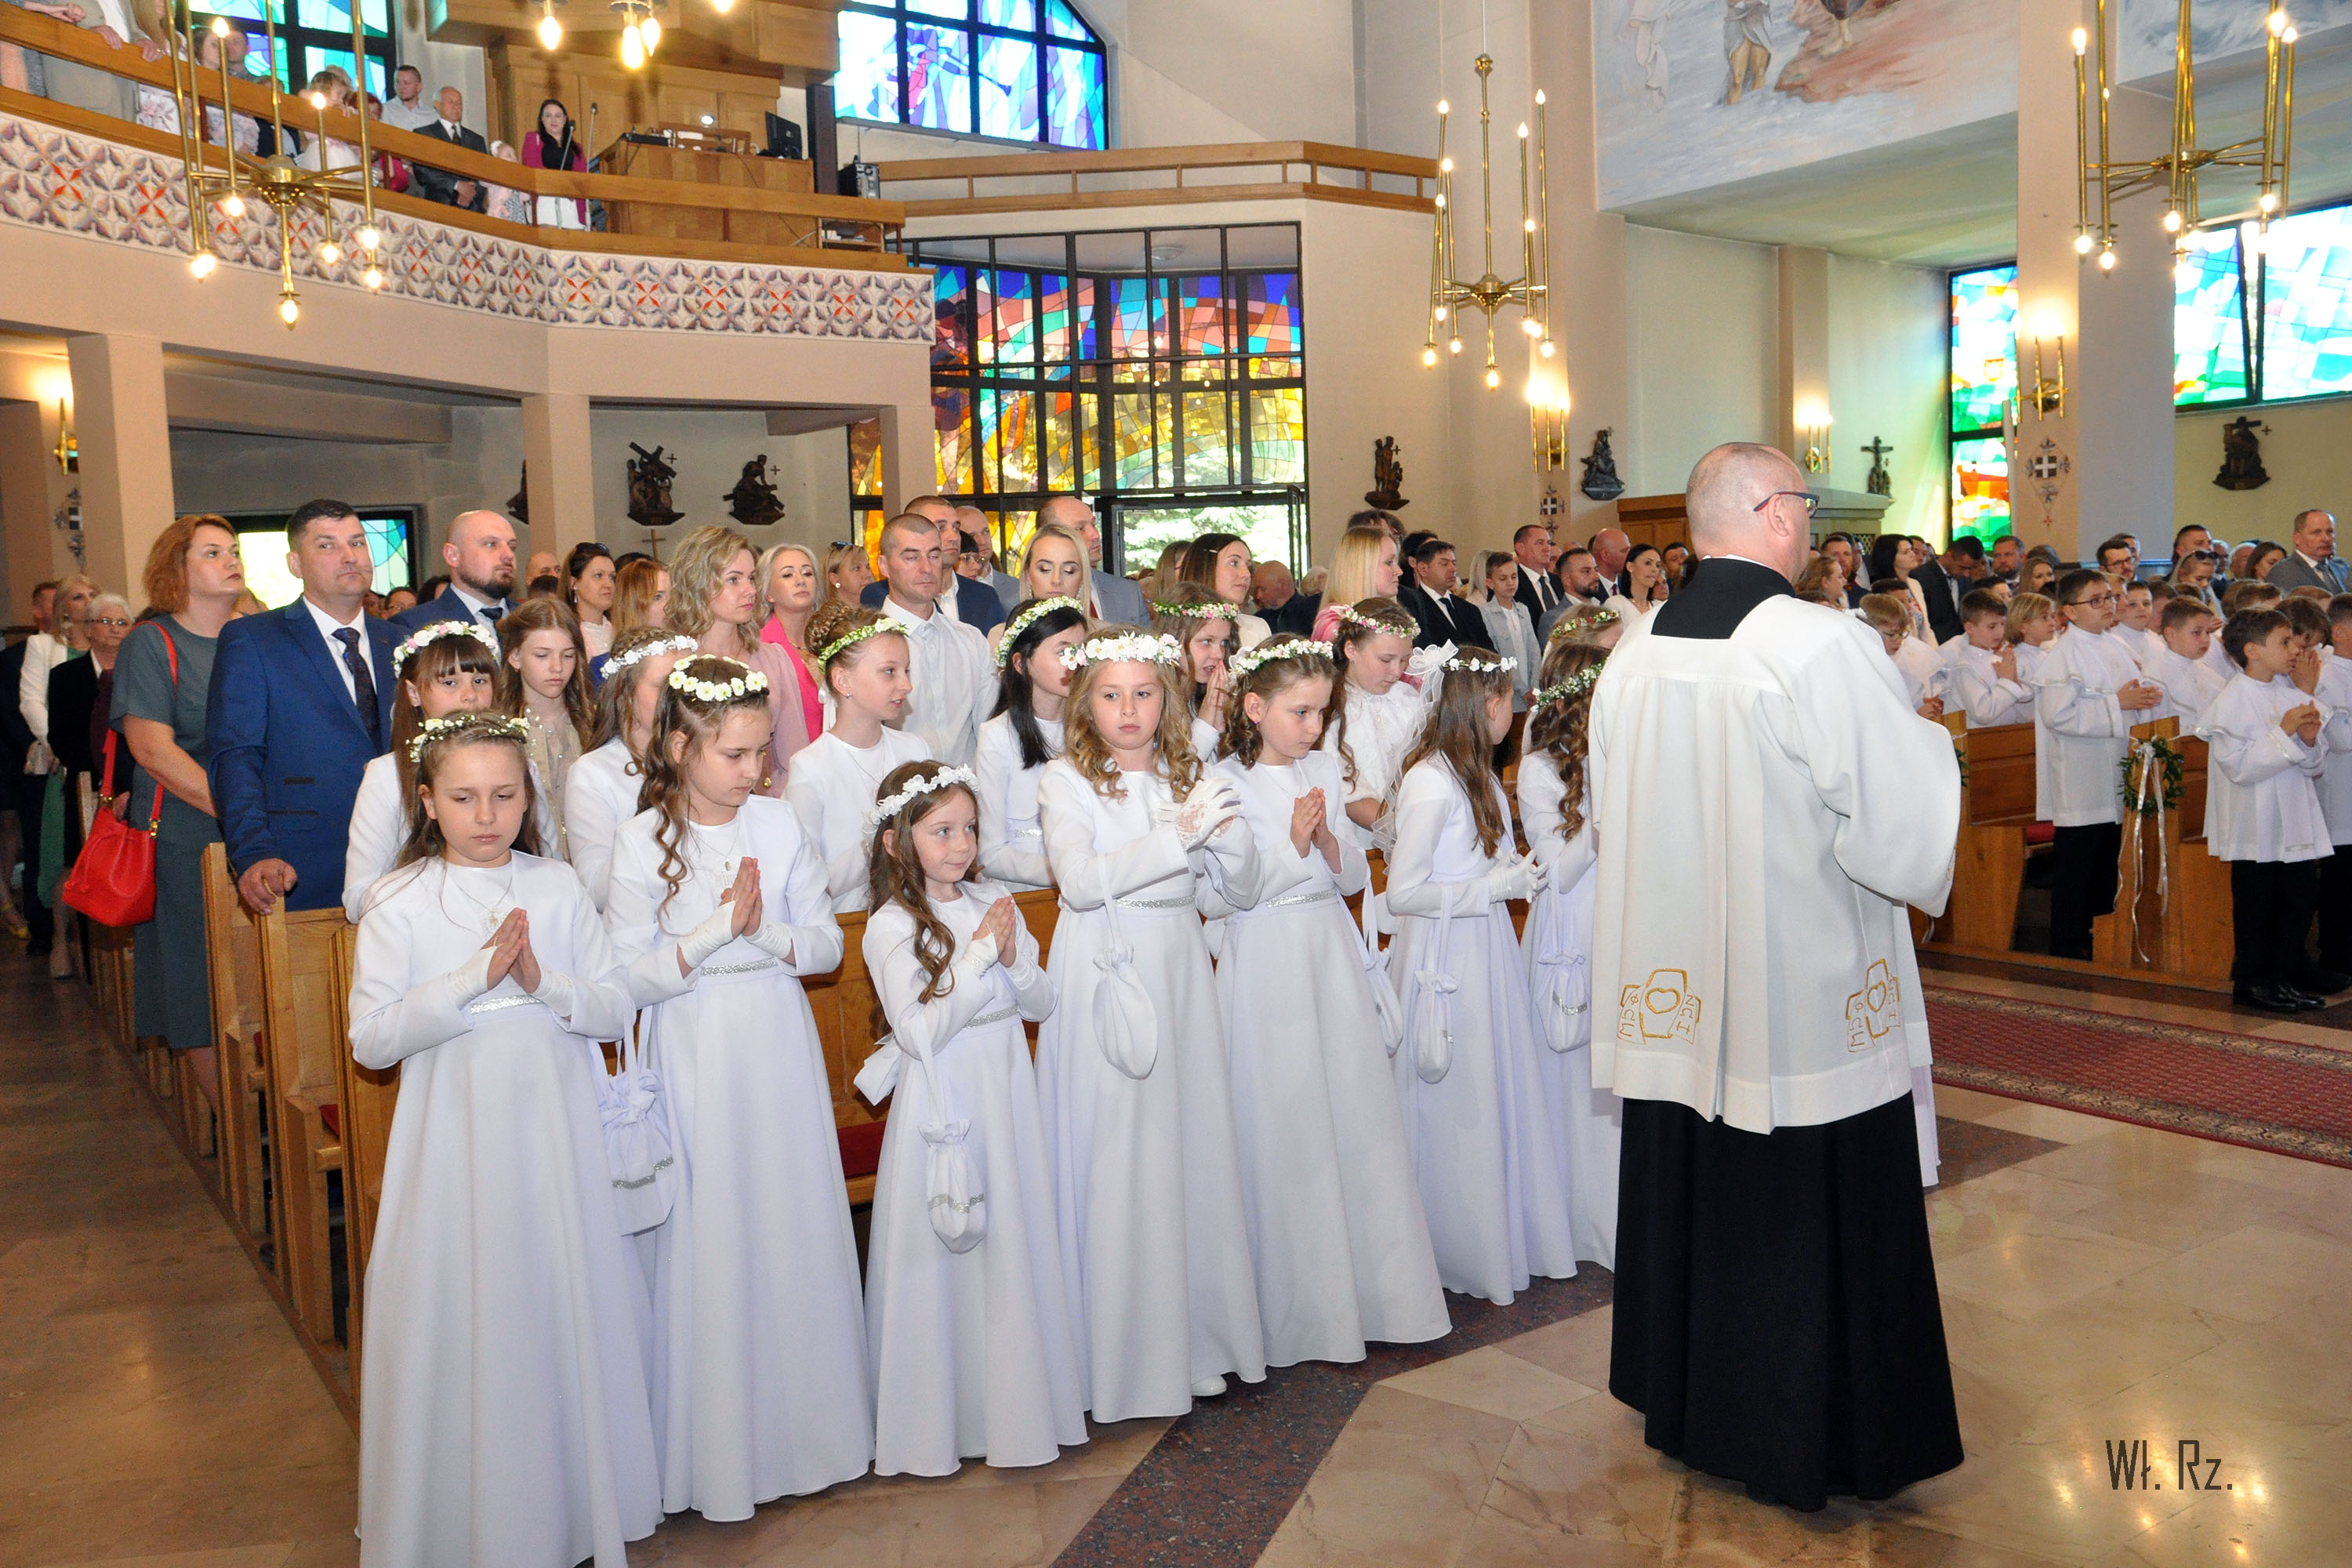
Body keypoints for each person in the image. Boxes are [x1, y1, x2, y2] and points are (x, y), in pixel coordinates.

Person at [1591, 441, 1960, 1512]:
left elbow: (1613, 807)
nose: (1806, 521)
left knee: (1699, 1192)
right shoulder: (1816, 641)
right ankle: (1815, 1437)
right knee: (1804, 1209)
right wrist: (1934, 755)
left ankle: (1694, 1410)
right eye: (1802, 501)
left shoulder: (1638, 647)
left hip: (1679, 989)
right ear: (1776, 514)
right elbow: (1889, 806)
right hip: (1800, 991)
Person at [347, 712, 661, 1566]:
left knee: (556, 1298)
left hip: (554, 1136)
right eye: (463, 797)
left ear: (529, 798)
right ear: (426, 801)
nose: (486, 816)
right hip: (455, 1140)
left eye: (504, 795)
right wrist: (471, 978)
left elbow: (612, 1007)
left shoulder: (556, 887)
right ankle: (461, 1518)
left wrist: (542, 981)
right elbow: (371, 1039)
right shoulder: (399, 900)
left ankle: (572, 1507)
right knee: (470, 1309)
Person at [604, 655, 870, 1519]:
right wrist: (715, 933)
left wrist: (763, 936)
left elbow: (826, 946)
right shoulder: (642, 840)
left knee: (788, 1218)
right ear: (681, 746)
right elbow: (625, 977)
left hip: (774, 1041)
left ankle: (815, 1434)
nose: (755, 769)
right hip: (694, 1046)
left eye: (762, 751)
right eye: (734, 753)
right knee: (714, 1230)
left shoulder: (780, 823)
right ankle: (717, 1451)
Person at [1034, 627, 1265, 1414]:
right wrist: (1180, 834)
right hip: (1109, 964)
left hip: (1179, 965)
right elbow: (1078, 881)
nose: (1128, 710)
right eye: (1110, 694)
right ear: (1085, 701)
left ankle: (1196, 1341)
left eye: (1143, 693)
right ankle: (1120, 1356)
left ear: (1167, 698)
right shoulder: (1065, 779)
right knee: (1122, 1150)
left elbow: (1230, 895)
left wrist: (1231, 844)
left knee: (1186, 1145)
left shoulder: (1186, 774)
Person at [1209, 634, 1449, 1363]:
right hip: (1267, 958)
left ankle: (1377, 1293)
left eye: (1321, 713)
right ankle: (1298, 1312)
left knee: (1352, 1110)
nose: (1314, 728)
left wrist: (1327, 845)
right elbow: (1228, 895)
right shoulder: (1224, 783)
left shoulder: (1322, 769)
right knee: (1286, 1117)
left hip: (1329, 949)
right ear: (1255, 709)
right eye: (1300, 712)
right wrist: (1292, 840)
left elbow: (1351, 880)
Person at [858, 760, 1085, 1475]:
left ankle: (1020, 1409)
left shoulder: (995, 900)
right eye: (942, 831)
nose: (961, 845)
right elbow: (919, 1032)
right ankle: (940, 1423)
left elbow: (1043, 1004)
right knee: (946, 1252)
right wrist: (984, 953)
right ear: (897, 841)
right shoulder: (890, 925)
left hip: (1006, 1088)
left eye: (969, 828)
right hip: (947, 1099)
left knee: (1013, 1236)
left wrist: (1013, 959)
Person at [1387, 647, 1577, 1302]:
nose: (1515, 710)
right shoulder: (1430, 783)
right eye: (1508, 698)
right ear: (1485, 704)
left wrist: (1515, 874)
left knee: (1494, 1084)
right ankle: (1456, 1246)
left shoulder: (1481, 777)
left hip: (1485, 942)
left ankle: (1501, 1233)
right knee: (1458, 1095)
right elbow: (1403, 893)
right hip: (1446, 953)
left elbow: (1489, 861)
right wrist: (1493, 888)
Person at [209, 499, 398, 917]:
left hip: (405, 859)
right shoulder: (254, 639)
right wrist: (254, 850)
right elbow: (237, 755)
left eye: (358, 543)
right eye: (328, 545)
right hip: (305, 860)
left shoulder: (401, 641)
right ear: (295, 564)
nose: (350, 556)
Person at [114, 517, 243, 1096]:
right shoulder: (152, 642)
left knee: (265, 972)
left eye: (233, 551)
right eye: (212, 553)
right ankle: (240, 1127)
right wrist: (240, 811)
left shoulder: (255, 638)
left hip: (258, 826)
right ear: (177, 570)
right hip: (189, 833)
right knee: (201, 981)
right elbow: (153, 751)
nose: (231, 560)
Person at [1518, 637, 1623, 1267]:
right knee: (1575, 1074)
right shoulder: (1539, 770)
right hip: (1571, 929)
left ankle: (1624, 1209)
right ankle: (1580, 1219)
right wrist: (1602, 813)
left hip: (1619, 918)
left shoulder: (1614, 754)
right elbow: (1557, 872)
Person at [342, 619, 546, 921]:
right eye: (450, 683)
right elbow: (359, 897)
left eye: (480, 681)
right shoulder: (386, 775)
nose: (469, 695)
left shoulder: (522, 766)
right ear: (413, 693)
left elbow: (545, 858)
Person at [2203, 609, 2337, 1011]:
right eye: (2284, 642)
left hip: (2293, 815)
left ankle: (2282, 977)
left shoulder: (2285, 691)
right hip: (2256, 821)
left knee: (2298, 897)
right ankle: (2253, 982)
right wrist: (2285, 732)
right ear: (2252, 651)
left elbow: (2314, 765)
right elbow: (2240, 768)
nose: (2295, 649)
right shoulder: (2232, 699)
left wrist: (2309, 741)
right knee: (2258, 904)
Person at [2036, 568, 2163, 961]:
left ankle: (2101, 939)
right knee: (2078, 866)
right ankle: (2067, 945)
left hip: (2116, 769)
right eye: (2096, 600)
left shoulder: (2116, 645)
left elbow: (2131, 696)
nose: (2108, 605)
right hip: (2081, 776)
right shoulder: (2064, 655)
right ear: (2069, 611)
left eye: (2109, 597)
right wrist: (2117, 704)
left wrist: (2144, 701)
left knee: (2108, 861)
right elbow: (2058, 716)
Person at [785, 602, 931, 911]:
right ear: (843, 681)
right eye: (889, 672)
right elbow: (805, 882)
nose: (906, 685)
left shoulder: (915, 750)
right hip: (849, 920)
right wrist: (875, 844)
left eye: (906, 671)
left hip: (917, 912)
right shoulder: (811, 768)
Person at [666, 525, 811, 789]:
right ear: (699, 584)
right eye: (734, 580)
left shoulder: (773, 659)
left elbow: (794, 759)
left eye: (752, 578)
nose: (751, 590)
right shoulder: (674, 663)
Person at [566, 629, 695, 911]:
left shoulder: (703, 759)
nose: (680, 699)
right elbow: (596, 890)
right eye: (664, 686)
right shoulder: (592, 773)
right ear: (626, 693)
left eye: (687, 684)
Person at [975, 597, 1088, 890]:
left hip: (1085, 885)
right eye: (1063, 651)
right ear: (1021, 663)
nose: (1076, 662)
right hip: (1024, 892)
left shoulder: (1091, 731)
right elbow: (991, 853)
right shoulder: (997, 736)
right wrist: (1069, 872)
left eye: (1081, 650)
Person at [868, 512, 995, 767]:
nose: (926, 568)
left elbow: (991, 733)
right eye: (912, 557)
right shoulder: (866, 645)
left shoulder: (971, 640)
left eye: (934, 556)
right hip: (893, 786)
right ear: (884, 565)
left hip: (966, 785)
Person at [1319, 597, 1436, 847]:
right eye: (1386, 660)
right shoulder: (1330, 708)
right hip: (1361, 843)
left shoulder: (1408, 699)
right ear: (1351, 650)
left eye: (1404, 660)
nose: (1396, 671)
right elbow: (1347, 793)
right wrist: (1404, 830)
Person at [498, 597, 593, 859]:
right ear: (515, 657)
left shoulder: (593, 723)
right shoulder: (501, 733)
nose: (557, 667)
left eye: (568, 655)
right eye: (542, 655)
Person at [857, 498, 1007, 633]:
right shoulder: (880, 595)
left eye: (956, 528)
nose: (954, 537)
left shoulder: (984, 596)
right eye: (940, 527)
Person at [390, 509, 518, 633]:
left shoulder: (527, 620)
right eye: (491, 544)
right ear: (452, 555)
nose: (509, 555)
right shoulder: (413, 626)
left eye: (512, 547)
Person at [1149, 584, 1240, 750]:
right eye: (1207, 641)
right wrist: (1206, 724)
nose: (1219, 654)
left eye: (1224, 642)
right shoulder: (1152, 701)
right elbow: (1174, 765)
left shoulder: (1203, 694)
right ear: (1172, 639)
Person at [1033, 494, 1145, 625]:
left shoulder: (1128, 593)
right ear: (1049, 537)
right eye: (1080, 528)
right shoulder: (1017, 604)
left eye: (1093, 524)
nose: (1096, 535)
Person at [757, 542, 826, 752]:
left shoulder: (830, 638)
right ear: (768, 593)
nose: (800, 581)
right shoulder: (761, 647)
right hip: (789, 760)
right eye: (788, 575)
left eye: (807, 573)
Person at [1944, 590, 2034, 728]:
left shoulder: (1997, 659)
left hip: (2008, 734)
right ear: (1969, 628)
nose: (1999, 632)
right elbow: (1982, 713)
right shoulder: (1965, 667)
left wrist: (2015, 681)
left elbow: (2022, 710)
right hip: (1978, 738)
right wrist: (2006, 681)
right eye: (1992, 627)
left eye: (2002, 624)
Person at [1396, 536, 1492, 652]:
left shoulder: (1469, 609)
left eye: (1454, 563)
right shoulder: (1411, 607)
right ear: (1423, 569)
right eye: (1444, 564)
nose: (1453, 569)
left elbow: (1488, 651)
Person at [1860, 594, 1947, 720]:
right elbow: (1876, 718)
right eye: (1892, 634)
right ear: (1869, 630)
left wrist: (1924, 704)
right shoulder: (1863, 668)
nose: (1899, 640)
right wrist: (1916, 717)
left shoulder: (1898, 660)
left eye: (1902, 633)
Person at [2145, 598, 2227, 731]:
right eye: (2197, 633)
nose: (2206, 639)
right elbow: (2153, 730)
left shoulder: (2208, 673)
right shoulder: (2154, 678)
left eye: (2208, 632)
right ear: (2171, 634)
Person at [1179, 532, 1272, 650]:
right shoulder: (1175, 629)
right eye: (1234, 563)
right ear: (1205, 567)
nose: (1247, 574)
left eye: (1248, 566)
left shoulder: (1258, 629)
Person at [1474, 550, 1541, 711]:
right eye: (1503, 579)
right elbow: (1498, 655)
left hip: (1532, 690)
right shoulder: (1485, 613)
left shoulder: (1523, 610)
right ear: (1490, 583)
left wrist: (1534, 686)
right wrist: (1522, 689)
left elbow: (1534, 650)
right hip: (1508, 690)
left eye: (1514, 577)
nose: (1510, 583)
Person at [1312, 525, 1404, 641]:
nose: (1399, 571)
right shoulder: (1335, 624)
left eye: (1397, 563)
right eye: (1389, 562)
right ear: (1362, 568)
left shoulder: (1391, 615)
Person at [412, 85, 488, 212]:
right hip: (439, 206)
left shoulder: (476, 140)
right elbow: (423, 171)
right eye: (450, 101)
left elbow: (484, 174)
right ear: (437, 104)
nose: (455, 106)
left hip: (473, 208)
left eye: (459, 103)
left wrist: (470, 190)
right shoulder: (424, 134)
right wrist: (456, 186)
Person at [521, 97, 587, 228]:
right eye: (548, 116)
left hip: (571, 201)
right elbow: (531, 166)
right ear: (542, 119)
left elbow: (582, 175)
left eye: (558, 116)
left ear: (565, 119)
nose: (553, 120)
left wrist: (569, 188)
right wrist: (561, 184)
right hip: (546, 198)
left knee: (573, 239)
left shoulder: (576, 147)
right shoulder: (534, 138)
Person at [1911, 535, 1982, 646]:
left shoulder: (1966, 580)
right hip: (1933, 646)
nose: (1966, 574)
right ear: (1949, 556)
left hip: (1962, 646)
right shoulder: (1921, 577)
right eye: (1963, 567)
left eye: (1970, 569)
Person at [2272, 512, 2349, 595]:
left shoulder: (2342, 569)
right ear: (2297, 538)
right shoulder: (2283, 572)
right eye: (2316, 532)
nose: (2326, 539)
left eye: (2330, 532)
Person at [563, 542, 616, 658]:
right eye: (598, 576)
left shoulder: (620, 631)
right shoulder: (565, 634)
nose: (608, 584)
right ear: (573, 583)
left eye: (612, 577)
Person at [1511, 522, 1565, 628]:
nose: (1547, 548)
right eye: (1540, 543)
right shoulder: (1513, 585)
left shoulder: (1559, 581)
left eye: (1548, 543)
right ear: (1521, 548)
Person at [1604, 543, 1671, 623]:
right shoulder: (1615, 605)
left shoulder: (1659, 607)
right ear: (1630, 567)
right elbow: (1598, 626)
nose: (1655, 569)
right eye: (1648, 563)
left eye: (1658, 565)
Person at [1250, 559, 1318, 637]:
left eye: (1263, 589)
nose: (1258, 596)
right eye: (1257, 590)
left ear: (1283, 585)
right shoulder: (1259, 620)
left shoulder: (1312, 613)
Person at [379, 63, 436, 131]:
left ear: (419, 87)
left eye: (406, 83)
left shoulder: (433, 115)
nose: (401, 87)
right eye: (397, 82)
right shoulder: (384, 110)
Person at [823, 539, 875, 608]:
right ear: (835, 579)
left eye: (868, 567)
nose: (868, 575)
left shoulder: (881, 611)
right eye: (857, 568)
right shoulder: (826, 615)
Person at [1585, 527, 1631, 597]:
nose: (1630, 555)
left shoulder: (1629, 586)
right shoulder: (1587, 588)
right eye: (1624, 551)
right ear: (1605, 555)